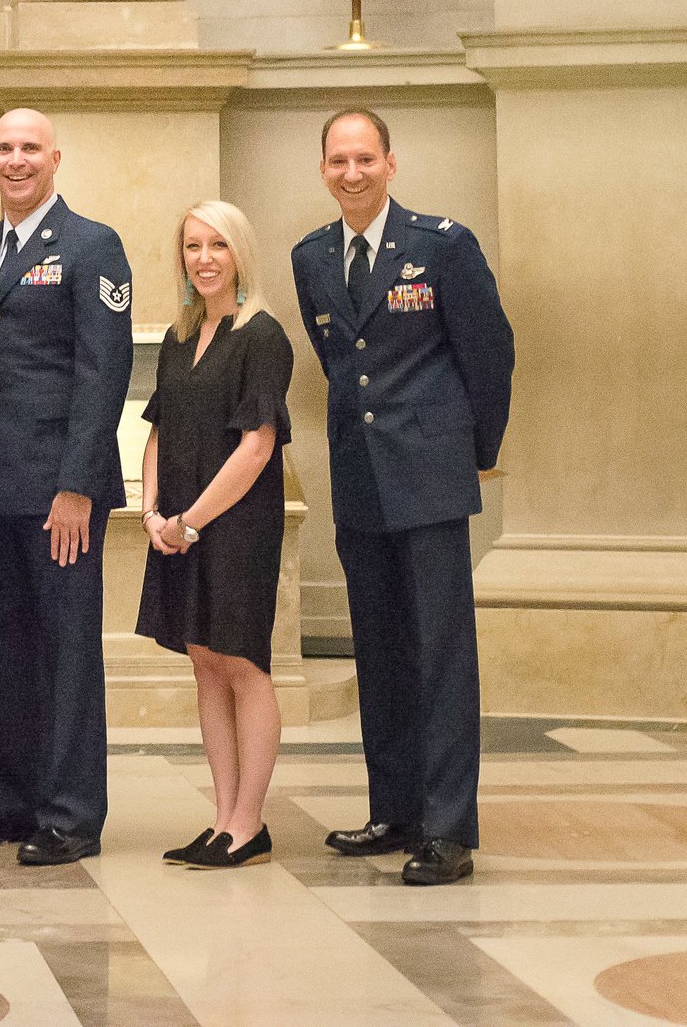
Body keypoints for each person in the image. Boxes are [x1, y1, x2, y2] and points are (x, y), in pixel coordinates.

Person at [291, 108, 514, 886]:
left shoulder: (441, 245)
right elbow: (337, 357)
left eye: (364, 158)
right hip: (359, 477)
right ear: (323, 169)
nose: (351, 173)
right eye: (337, 160)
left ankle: (449, 827)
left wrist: (472, 452)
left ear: (391, 163)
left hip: (430, 474)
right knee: (378, 648)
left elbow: (489, 352)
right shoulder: (312, 255)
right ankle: (395, 807)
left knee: (442, 655)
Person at [0, 108, 133, 864]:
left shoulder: (94, 245)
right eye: (3, 147)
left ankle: (71, 812)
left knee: (64, 652)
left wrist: (79, 485)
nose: (16, 160)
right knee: (1, 650)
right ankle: (12, 796)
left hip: (59, 492)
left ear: (55, 157)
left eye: (30, 147)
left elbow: (103, 371)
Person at [137, 200, 294, 870]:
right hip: (176, 525)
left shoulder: (262, 336)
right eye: (193, 246)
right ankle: (223, 816)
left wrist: (192, 519)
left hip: (233, 527)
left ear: (240, 254)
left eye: (217, 246)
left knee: (242, 663)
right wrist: (151, 513)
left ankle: (249, 820)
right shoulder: (180, 336)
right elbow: (157, 430)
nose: (203, 258)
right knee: (204, 660)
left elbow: (256, 448)